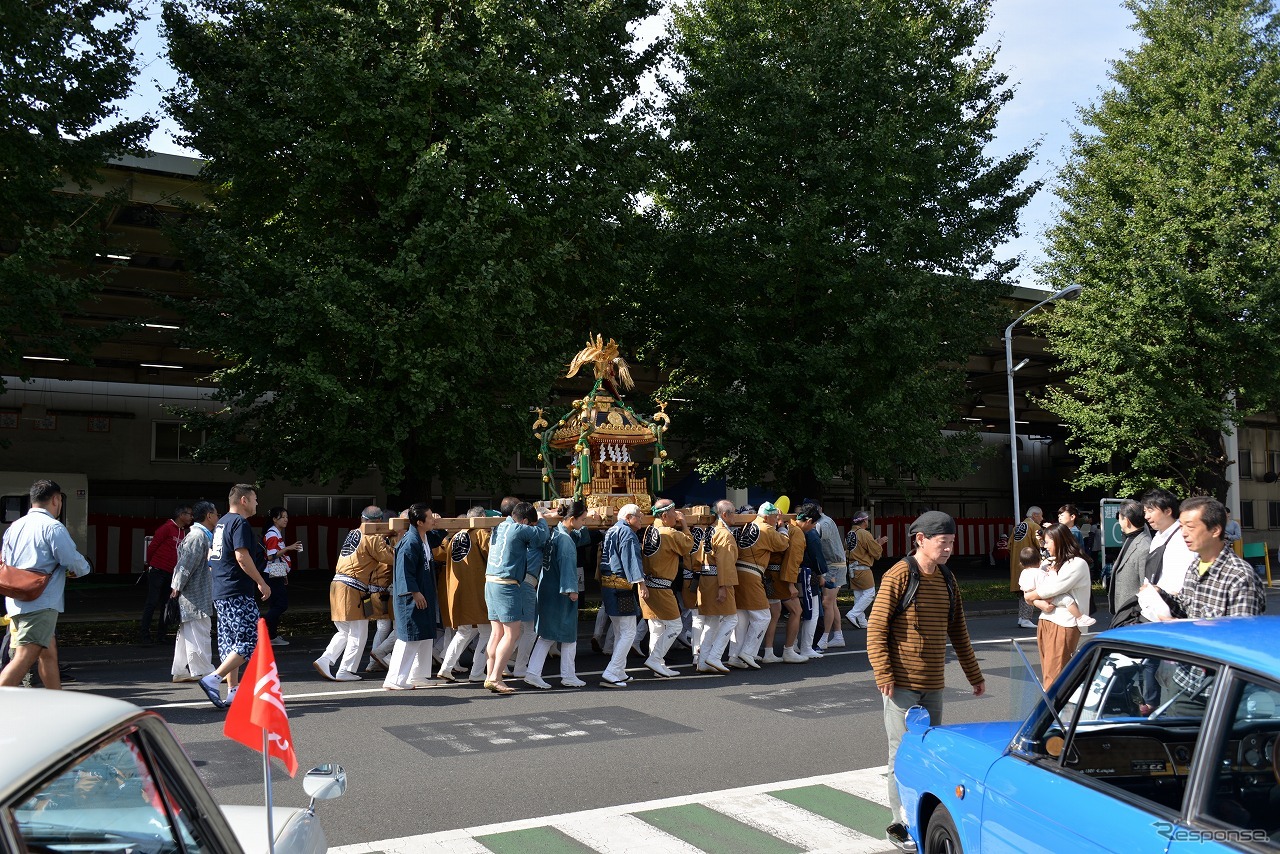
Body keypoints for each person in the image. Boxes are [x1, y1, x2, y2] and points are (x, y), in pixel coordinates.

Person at [867, 510, 984, 847]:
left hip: (933, 683)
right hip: (900, 683)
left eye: (951, 543)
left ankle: (920, 815)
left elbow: (958, 630)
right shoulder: (900, 575)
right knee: (900, 753)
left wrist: (973, 674)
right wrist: (883, 672)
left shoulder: (947, 578)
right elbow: (876, 628)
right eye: (942, 543)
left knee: (928, 752)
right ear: (920, 540)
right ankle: (898, 824)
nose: (948, 549)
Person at [0, 479, 91, 689]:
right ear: (56, 499)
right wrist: (85, 569)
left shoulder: (15, 526)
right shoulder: (53, 527)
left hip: (16, 600)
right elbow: (71, 561)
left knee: (48, 654)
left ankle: (55, 703)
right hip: (41, 602)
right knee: (24, 658)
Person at [198, 483, 271, 709]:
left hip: (221, 591)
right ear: (244, 500)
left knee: (231, 644)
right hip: (237, 590)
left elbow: (212, 559)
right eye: (255, 498)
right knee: (251, 640)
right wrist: (261, 582)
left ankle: (233, 692)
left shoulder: (220, 523)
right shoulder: (239, 523)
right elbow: (242, 557)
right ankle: (213, 678)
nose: (257, 503)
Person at [315, 506, 395, 682]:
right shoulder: (371, 537)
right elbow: (390, 558)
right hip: (352, 587)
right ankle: (345, 670)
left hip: (337, 585)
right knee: (359, 632)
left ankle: (325, 659)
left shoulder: (354, 532)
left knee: (344, 631)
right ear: (378, 522)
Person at [1157, 496, 1265, 621]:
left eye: (1190, 527)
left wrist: (1182, 626)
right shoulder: (1195, 566)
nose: (1184, 533)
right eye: (1181, 527)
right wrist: (1160, 594)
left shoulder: (1239, 576)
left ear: (1215, 530)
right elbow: (1186, 608)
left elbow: (1241, 633)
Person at [484, 501, 552, 694]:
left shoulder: (501, 525)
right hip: (507, 585)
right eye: (530, 523)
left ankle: (490, 676)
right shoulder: (520, 529)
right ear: (524, 521)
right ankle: (496, 678)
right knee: (511, 634)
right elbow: (541, 537)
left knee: (496, 633)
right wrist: (542, 520)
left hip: (490, 582)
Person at [524, 499, 593, 688]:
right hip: (560, 591)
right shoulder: (564, 540)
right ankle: (568, 675)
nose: (584, 523)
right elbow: (567, 565)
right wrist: (572, 590)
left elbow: (578, 538)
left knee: (547, 635)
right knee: (568, 635)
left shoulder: (555, 534)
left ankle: (534, 672)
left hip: (547, 588)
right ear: (572, 519)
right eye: (583, 520)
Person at [1022, 522, 1092, 687]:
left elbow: (1051, 589)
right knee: (1048, 672)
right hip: (1047, 620)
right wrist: (1032, 597)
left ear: (1059, 540)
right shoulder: (1052, 563)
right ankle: (1054, 708)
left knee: (1056, 676)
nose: (1045, 546)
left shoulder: (1077, 564)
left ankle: (1055, 710)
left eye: (1047, 542)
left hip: (1064, 623)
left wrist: (1031, 596)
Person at [436, 506, 495, 682]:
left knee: (464, 631)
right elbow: (493, 555)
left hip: (457, 587)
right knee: (487, 631)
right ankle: (477, 671)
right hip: (476, 588)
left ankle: (446, 667)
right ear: (482, 518)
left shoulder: (455, 536)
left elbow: (440, 554)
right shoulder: (480, 533)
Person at [383, 503, 438, 690]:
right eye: (430, 518)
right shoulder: (409, 542)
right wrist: (415, 592)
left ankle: (418, 675)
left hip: (423, 593)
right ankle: (395, 679)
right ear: (420, 522)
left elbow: (438, 537)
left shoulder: (424, 537)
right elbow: (404, 572)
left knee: (423, 635)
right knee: (409, 637)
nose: (433, 520)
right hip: (411, 596)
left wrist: (441, 524)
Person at [728, 502, 788, 669]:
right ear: (768, 516)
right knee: (763, 616)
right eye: (775, 517)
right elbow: (783, 544)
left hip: (738, 572)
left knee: (742, 618)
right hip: (751, 574)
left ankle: (734, 656)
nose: (776, 519)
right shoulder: (767, 529)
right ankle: (748, 652)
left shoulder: (748, 525)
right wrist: (782, 528)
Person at [638, 499, 693, 678]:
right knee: (675, 626)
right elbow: (688, 545)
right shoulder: (668, 533)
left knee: (656, 627)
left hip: (648, 585)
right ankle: (655, 659)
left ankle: (658, 664)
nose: (676, 517)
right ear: (664, 515)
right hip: (661, 587)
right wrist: (684, 524)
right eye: (674, 513)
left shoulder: (650, 530)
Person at [169, 500, 218, 683]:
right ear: (209, 516)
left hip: (192, 593)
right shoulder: (199, 536)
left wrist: (176, 587)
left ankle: (180, 671)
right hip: (196, 594)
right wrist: (177, 586)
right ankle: (205, 671)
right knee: (200, 632)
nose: (218, 517)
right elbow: (185, 565)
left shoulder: (198, 535)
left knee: (187, 634)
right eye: (216, 514)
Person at [598, 503, 646, 687]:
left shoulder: (612, 530)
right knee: (629, 631)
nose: (641, 518)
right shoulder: (627, 533)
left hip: (609, 586)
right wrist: (641, 583)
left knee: (620, 630)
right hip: (621, 587)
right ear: (628, 518)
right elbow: (631, 560)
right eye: (638, 516)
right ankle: (612, 671)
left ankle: (619, 671)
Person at [692, 499, 739, 674]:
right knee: (731, 619)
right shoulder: (724, 534)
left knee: (711, 622)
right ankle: (715, 656)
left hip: (706, 579)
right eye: (733, 512)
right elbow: (725, 563)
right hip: (719, 579)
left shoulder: (708, 531)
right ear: (725, 514)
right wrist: (724, 586)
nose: (735, 515)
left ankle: (703, 661)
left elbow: (697, 558)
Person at [140, 504, 192, 646]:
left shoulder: (183, 531)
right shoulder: (166, 528)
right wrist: (151, 565)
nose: (191, 517)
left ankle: (161, 635)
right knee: (152, 602)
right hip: (158, 570)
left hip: (171, 572)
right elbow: (152, 547)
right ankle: (144, 635)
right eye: (189, 514)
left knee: (166, 604)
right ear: (181, 515)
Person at [763, 511, 807, 663]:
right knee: (796, 610)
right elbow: (792, 559)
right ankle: (788, 650)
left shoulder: (764, 527)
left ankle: (768, 651)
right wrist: (791, 584)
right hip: (779, 577)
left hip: (766, 574)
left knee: (774, 613)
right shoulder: (792, 531)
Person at [1019, 545, 1095, 628]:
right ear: (1039, 561)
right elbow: (1051, 583)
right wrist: (1052, 572)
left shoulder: (1023, 573)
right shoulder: (1039, 573)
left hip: (1033, 596)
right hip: (1045, 595)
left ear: (1021, 563)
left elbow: (1022, 587)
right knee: (1068, 600)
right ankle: (1080, 617)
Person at [1142, 487, 1196, 596]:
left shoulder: (1182, 538)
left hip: (1174, 606)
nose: (1146, 516)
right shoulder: (1157, 537)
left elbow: (1184, 580)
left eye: (1150, 510)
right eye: (1145, 511)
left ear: (1167, 511)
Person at [790, 503, 828, 660]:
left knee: (797, 613)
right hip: (806, 575)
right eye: (813, 523)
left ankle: (793, 646)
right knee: (811, 613)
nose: (813, 526)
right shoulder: (809, 534)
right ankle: (806, 647)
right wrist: (821, 573)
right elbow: (817, 558)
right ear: (809, 521)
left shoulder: (791, 529)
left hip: (795, 576)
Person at [1106, 499, 1151, 628]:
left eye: (1120, 518)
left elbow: (1145, 585)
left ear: (1126, 520)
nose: (1119, 522)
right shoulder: (1130, 539)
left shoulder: (1144, 546)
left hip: (1133, 615)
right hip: (1123, 612)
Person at [262, 506, 301, 647]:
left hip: (276, 572)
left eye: (286, 517)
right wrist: (288, 548)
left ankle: (271, 636)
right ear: (274, 519)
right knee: (281, 604)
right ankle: (261, 627)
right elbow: (271, 556)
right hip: (272, 573)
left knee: (275, 604)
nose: (286, 519)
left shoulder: (275, 533)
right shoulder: (273, 534)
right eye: (282, 517)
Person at [844, 510, 887, 629]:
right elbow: (875, 552)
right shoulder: (864, 534)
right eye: (867, 520)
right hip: (863, 568)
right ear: (864, 521)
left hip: (852, 568)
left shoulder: (850, 533)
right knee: (869, 593)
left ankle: (862, 621)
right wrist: (880, 543)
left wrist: (876, 543)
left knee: (859, 594)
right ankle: (853, 614)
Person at [813, 503, 847, 649]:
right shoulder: (826, 521)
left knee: (827, 603)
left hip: (833, 566)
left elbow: (817, 544)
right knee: (832, 603)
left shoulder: (822, 524)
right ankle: (838, 636)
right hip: (837, 565)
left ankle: (824, 639)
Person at [1009, 505, 1043, 629]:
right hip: (1030, 564)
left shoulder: (1017, 527)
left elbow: (1009, 546)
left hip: (1017, 563)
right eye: (1040, 515)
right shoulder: (1034, 527)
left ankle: (1022, 617)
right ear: (1035, 515)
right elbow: (1041, 545)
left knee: (1022, 593)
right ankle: (1026, 618)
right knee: (1030, 591)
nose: (1042, 518)